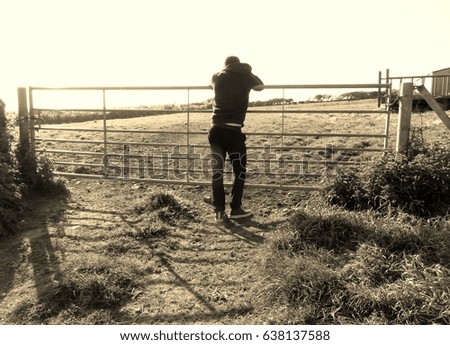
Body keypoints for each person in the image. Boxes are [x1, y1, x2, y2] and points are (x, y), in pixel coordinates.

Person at [208, 56, 264, 222]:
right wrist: (249, 72)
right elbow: (260, 86)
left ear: (225, 65)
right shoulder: (245, 76)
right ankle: (236, 209)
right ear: (239, 65)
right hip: (233, 131)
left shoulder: (216, 76)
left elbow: (210, 84)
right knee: (239, 171)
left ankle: (219, 212)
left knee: (217, 172)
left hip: (215, 129)